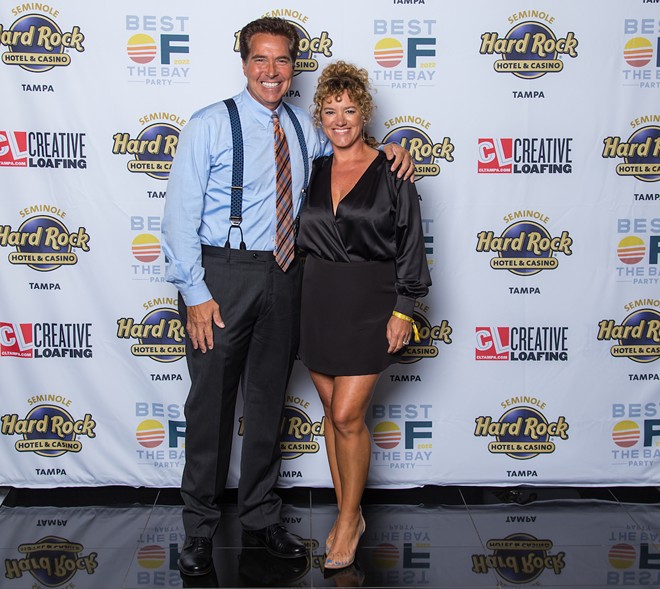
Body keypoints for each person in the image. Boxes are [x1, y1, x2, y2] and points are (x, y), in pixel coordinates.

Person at [161, 18, 414, 577]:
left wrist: (396, 152)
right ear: (244, 61)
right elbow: (177, 218)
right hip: (221, 277)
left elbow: (356, 149)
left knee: (269, 403)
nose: (271, 72)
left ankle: (259, 517)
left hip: (287, 276)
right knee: (210, 409)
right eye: (260, 60)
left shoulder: (307, 127)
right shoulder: (208, 124)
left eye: (281, 61)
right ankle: (199, 531)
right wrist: (196, 294)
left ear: (294, 65)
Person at [297, 61, 431, 570]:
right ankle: (345, 510)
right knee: (334, 416)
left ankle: (350, 519)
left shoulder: (392, 169)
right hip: (316, 299)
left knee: (348, 415)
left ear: (365, 113)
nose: (340, 119)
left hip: (371, 301)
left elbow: (411, 245)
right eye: (330, 110)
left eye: (350, 110)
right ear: (320, 115)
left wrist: (404, 308)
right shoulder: (313, 168)